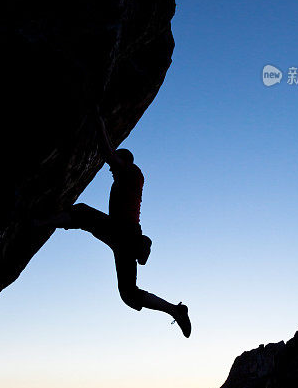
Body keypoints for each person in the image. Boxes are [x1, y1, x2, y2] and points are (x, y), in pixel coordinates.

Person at [41, 110, 191, 337]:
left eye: (114, 167)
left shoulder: (131, 172)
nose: (110, 171)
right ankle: (175, 310)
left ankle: (38, 222)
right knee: (128, 294)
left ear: (125, 161)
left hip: (124, 231)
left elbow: (108, 155)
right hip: (123, 235)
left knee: (82, 213)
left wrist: (100, 125)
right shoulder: (127, 177)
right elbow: (111, 160)